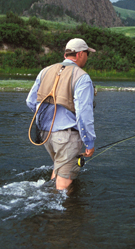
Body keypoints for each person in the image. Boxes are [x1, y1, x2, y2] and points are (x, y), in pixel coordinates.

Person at [26, 38, 96, 190]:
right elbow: (83, 114)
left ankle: (48, 203)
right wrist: (89, 142)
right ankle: (54, 213)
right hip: (66, 137)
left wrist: (46, 118)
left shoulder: (45, 71)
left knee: (58, 173)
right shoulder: (82, 77)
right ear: (79, 55)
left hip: (45, 134)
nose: (87, 58)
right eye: (87, 54)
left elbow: (31, 101)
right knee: (64, 186)